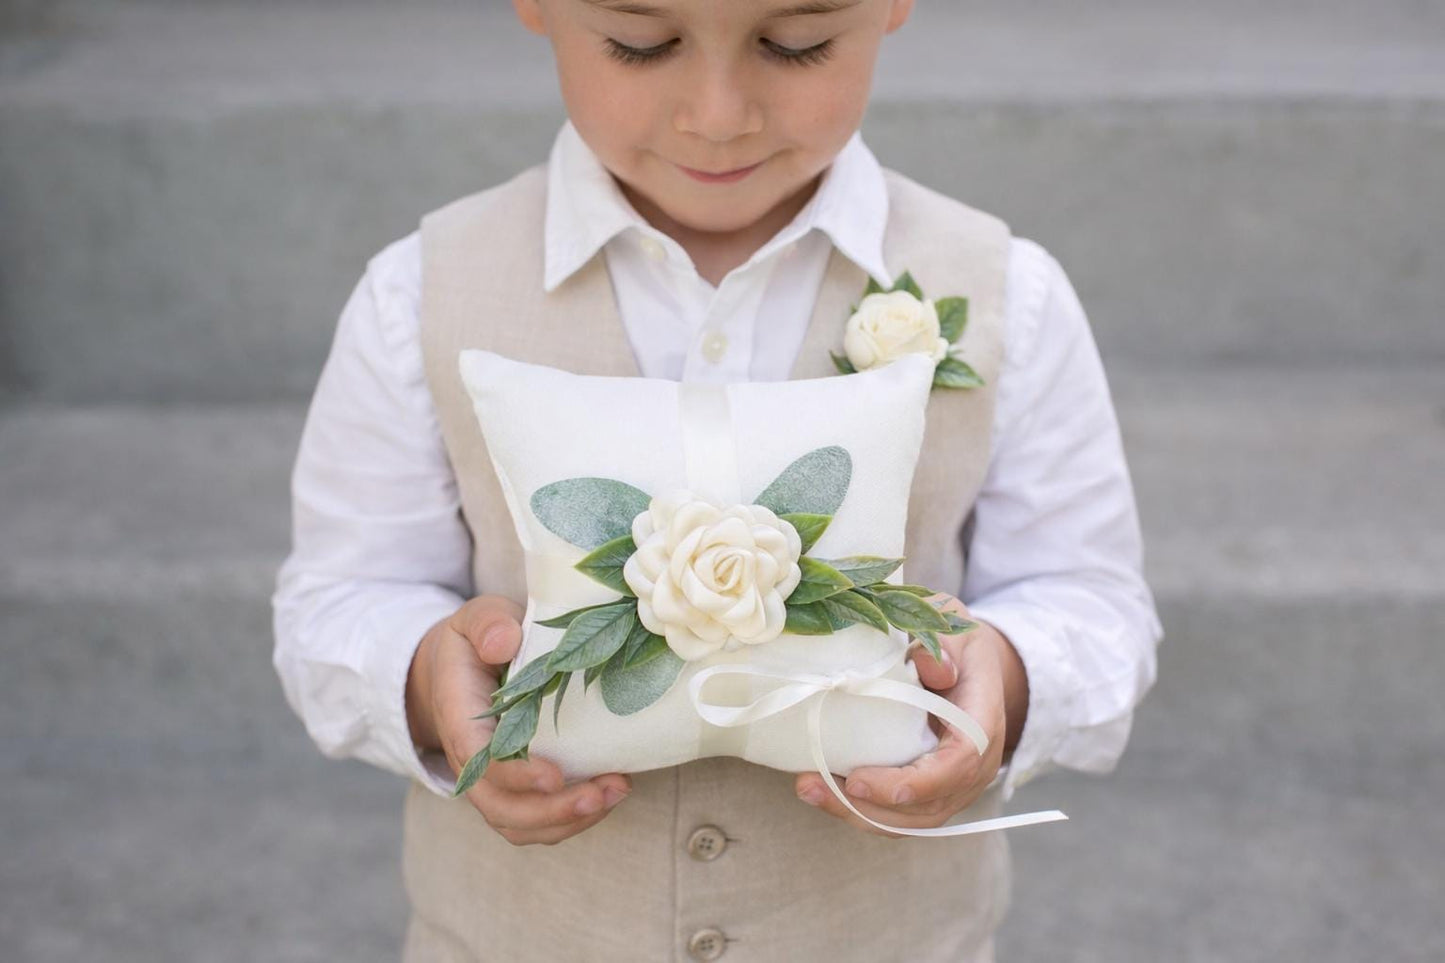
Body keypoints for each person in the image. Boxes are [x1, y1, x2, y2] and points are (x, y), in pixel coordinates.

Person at [271, 0, 1164, 959]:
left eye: (796, 43)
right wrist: (419, 677)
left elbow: (1090, 596)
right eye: (640, 44)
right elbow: (342, 592)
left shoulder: (1004, 294)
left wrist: (1007, 678)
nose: (718, 112)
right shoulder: (423, 293)